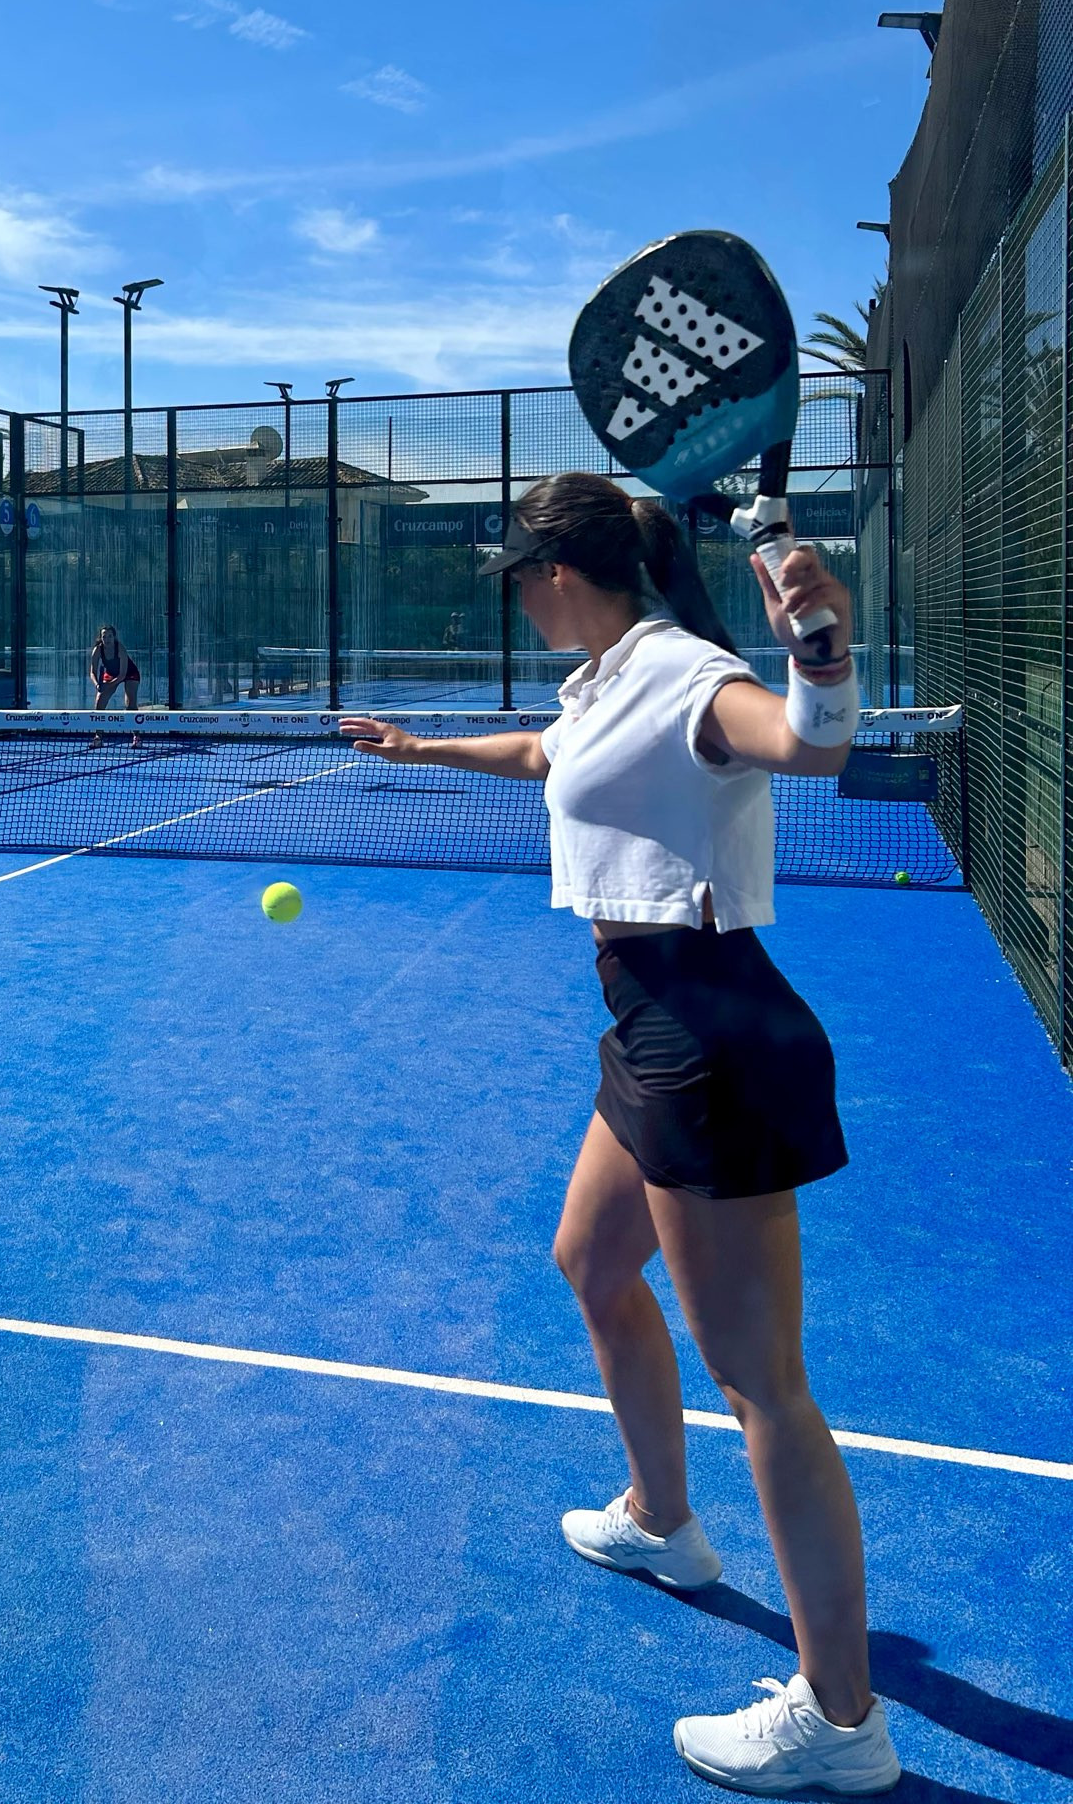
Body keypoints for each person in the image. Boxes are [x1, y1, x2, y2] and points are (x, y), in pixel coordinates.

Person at [341, 472, 899, 1797]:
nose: (517, 601)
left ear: (560, 574)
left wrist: (822, 653)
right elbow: (548, 756)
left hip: (710, 1038)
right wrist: (422, 753)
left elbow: (807, 745)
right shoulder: (601, 682)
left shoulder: (689, 674)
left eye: (519, 580)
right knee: (591, 1264)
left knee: (762, 1384)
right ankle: (664, 1521)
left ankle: (842, 1719)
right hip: (647, 1026)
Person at [88, 625, 141, 710]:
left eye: (110, 636)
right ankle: (100, 718)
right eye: (104, 637)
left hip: (129, 673)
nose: (107, 639)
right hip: (111, 673)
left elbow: (122, 675)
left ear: (114, 637)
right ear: (101, 638)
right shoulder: (98, 650)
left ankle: (132, 717)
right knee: (99, 702)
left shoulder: (120, 649)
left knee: (130, 704)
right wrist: (97, 685)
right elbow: (92, 672)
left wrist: (108, 685)